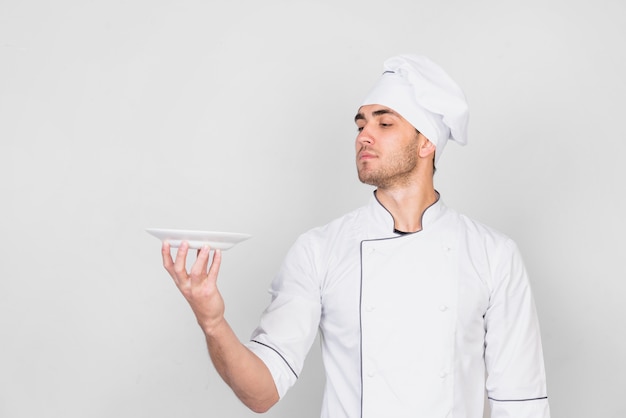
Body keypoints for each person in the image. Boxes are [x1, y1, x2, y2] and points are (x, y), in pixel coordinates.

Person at [161, 54, 551, 418]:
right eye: (361, 124)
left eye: (384, 123)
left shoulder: (493, 255)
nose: (364, 135)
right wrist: (212, 321)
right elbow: (261, 393)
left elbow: (521, 402)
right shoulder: (320, 250)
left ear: (426, 143)